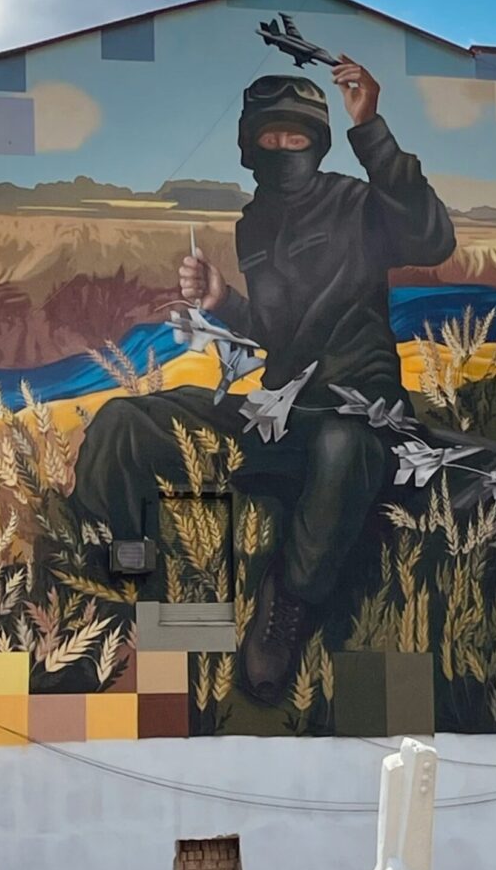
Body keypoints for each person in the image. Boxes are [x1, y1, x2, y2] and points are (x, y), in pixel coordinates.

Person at [73, 55, 456, 705]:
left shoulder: (355, 202)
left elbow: (431, 237)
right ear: (251, 145)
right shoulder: (254, 225)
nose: (285, 147)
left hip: (360, 415)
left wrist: (373, 129)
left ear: (319, 140)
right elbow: (281, 335)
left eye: (298, 135)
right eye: (272, 136)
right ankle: (124, 565)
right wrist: (223, 301)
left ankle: (289, 607)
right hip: (276, 412)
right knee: (124, 422)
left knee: (342, 446)